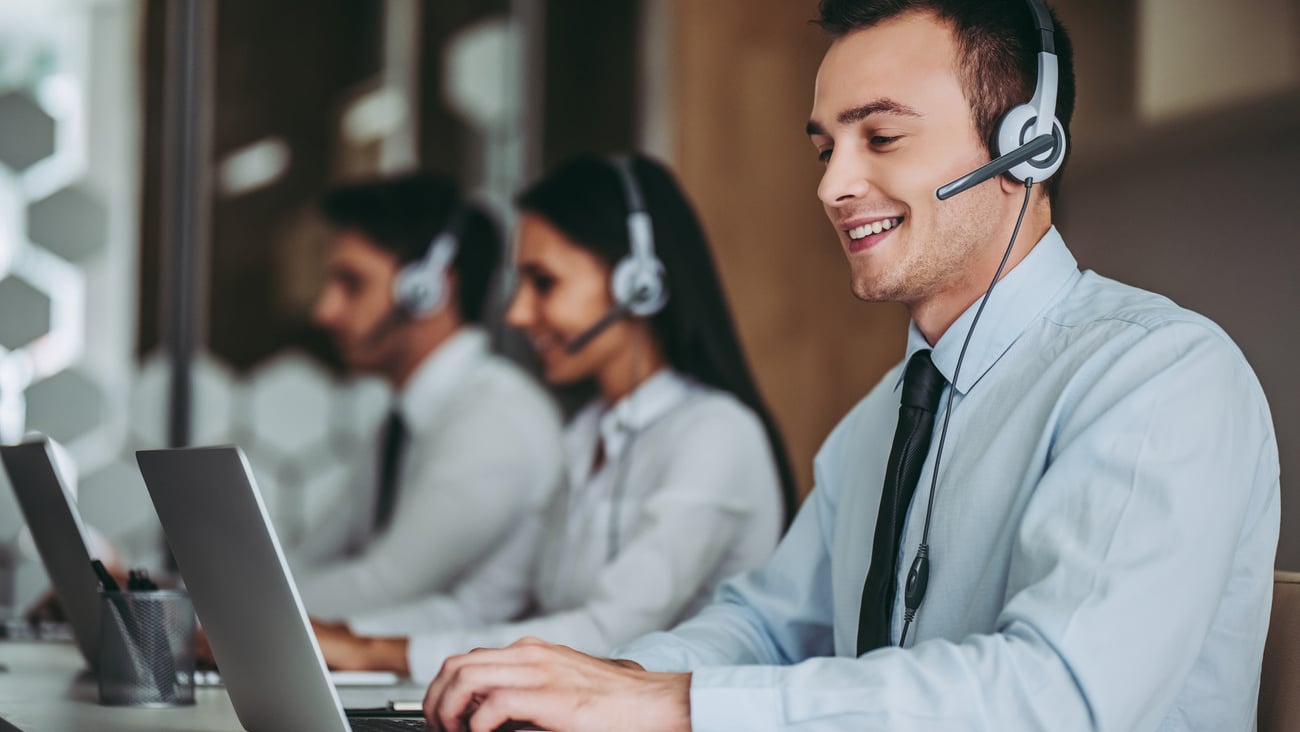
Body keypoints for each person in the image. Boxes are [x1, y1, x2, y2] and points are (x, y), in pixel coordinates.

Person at [418, 2, 1281, 731]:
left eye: (881, 136)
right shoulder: (883, 419)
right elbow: (764, 627)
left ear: (1028, 145)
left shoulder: (1158, 378)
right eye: (827, 146)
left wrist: (676, 704)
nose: (834, 185)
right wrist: (579, 685)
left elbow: (1056, 695)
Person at [311, 154, 798, 683]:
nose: (518, 314)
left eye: (543, 283)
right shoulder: (584, 435)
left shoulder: (715, 435)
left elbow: (608, 634)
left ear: (638, 283)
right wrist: (342, 639)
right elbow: (485, 607)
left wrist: (377, 655)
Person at [289, 173, 566, 622]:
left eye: (352, 284)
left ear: (429, 288)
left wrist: (196, 617)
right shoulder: (403, 422)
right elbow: (307, 562)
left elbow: (383, 588)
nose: (325, 311)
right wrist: (170, 597)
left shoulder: (495, 420)